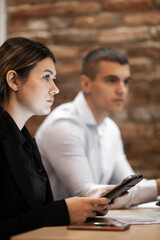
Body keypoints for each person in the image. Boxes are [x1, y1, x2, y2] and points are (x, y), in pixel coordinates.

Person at [0, 38, 110, 240]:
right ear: (14, 80)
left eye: (54, 78)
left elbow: (35, 212)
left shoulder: (24, 140)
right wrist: (64, 212)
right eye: (46, 77)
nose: (55, 88)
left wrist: (82, 210)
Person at [35, 47, 160, 208]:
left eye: (125, 81)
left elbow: (130, 186)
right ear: (86, 84)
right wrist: (156, 186)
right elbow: (85, 195)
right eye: (111, 80)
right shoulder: (64, 125)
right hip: (53, 230)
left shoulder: (110, 128)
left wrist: (156, 191)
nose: (121, 90)